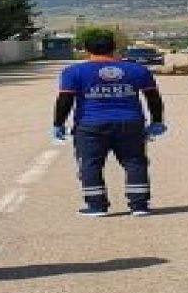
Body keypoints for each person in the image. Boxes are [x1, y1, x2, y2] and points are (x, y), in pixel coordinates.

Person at [53, 31, 166, 216]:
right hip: (130, 123)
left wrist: (58, 123)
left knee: (90, 164)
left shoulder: (74, 71)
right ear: (114, 48)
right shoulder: (137, 70)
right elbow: (153, 97)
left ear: (85, 49)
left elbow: (65, 100)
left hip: (90, 125)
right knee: (135, 162)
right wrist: (157, 121)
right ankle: (139, 206)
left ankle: (96, 206)